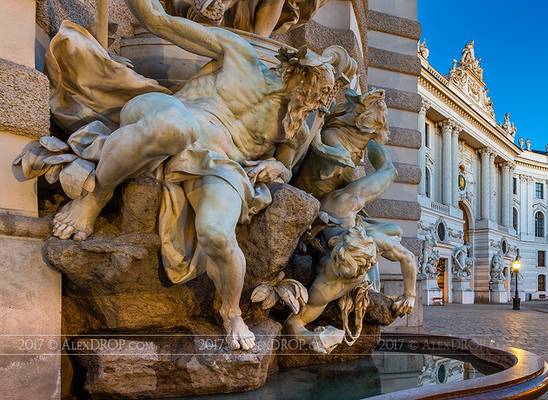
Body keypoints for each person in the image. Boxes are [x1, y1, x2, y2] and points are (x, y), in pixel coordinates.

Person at [48, 0, 344, 350]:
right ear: (294, 71)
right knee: (177, 127)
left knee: (216, 233)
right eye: (314, 92)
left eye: (318, 100)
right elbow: (159, 20)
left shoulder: (293, 121)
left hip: (221, 164)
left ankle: (231, 311)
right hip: (171, 112)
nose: (312, 103)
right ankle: (96, 195)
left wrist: (277, 166)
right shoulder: (239, 53)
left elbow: (286, 164)